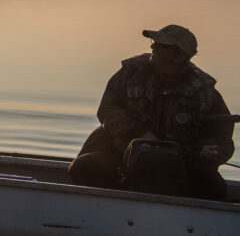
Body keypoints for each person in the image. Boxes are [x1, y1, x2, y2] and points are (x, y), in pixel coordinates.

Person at [68, 24, 235, 199]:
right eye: (154, 42)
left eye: (161, 45)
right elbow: (108, 110)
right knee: (84, 167)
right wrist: (141, 133)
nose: (152, 47)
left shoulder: (204, 91)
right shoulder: (130, 73)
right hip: (120, 155)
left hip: (179, 165)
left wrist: (212, 150)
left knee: (213, 186)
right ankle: (114, 207)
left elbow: (222, 136)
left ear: (179, 56)